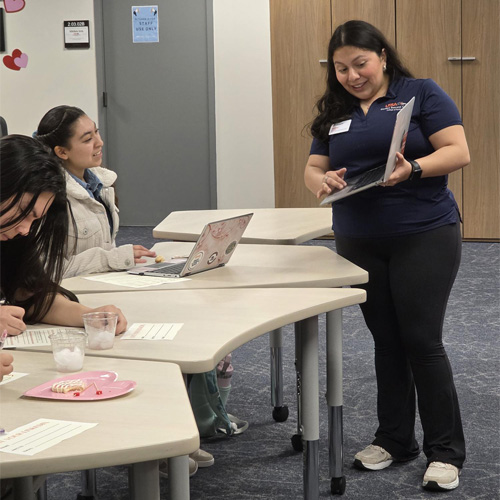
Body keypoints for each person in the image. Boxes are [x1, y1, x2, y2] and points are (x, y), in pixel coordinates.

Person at [304, 20, 469, 492]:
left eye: (360, 64)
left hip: (424, 231)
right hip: (358, 236)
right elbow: (314, 165)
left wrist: (412, 168)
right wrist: (322, 182)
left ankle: (445, 450)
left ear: (382, 55)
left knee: (421, 339)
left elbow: (458, 151)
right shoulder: (335, 109)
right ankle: (395, 439)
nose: (353, 76)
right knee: (386, 339)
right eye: (341, 68)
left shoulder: (421, 92)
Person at [0, 134, 127, 335]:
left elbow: (32, 296)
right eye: (24, 211)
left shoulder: (12, 237)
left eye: (34, 221)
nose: (24, 230)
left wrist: (91, 316)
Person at [35, 105, 156, 278]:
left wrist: (117, 259)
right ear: (62, 151)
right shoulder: (49, 197)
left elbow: (106, 248)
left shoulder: (102, 183)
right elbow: (47, 269)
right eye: (87, 139)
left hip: (101, 281)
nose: (100, 142)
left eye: (96, 132)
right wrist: (110, 259)